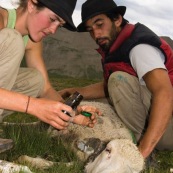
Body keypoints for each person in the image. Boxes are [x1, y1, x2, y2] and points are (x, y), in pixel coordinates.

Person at [58, 0, 173, 159]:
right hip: (157, 120)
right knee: (89, 106)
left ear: (117, 19)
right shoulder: (118, 46)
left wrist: (141, 153)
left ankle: (140, 146)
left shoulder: (139, 48)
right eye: (91, 30)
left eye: (100, 24)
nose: (96, 34)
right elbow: (111, 87)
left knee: (118, 80)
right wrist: (73, 92)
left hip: (168, 127)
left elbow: (165, 92)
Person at [0, 0, 101, 151]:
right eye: (52, 19)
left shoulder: (32, 40)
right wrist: (33, 106)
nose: (53, 30)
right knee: (11, 39)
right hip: (10, 37)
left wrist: (71, 112)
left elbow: (45, 89)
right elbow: (35, 104)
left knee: (36, 79)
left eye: (59, 25)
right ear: (31, 4)